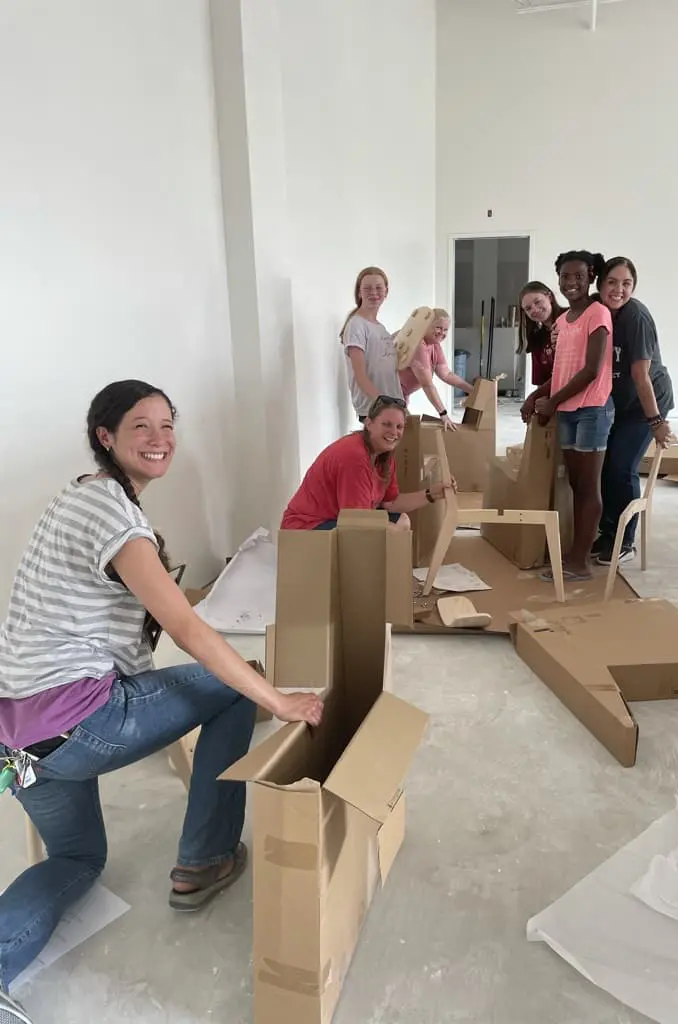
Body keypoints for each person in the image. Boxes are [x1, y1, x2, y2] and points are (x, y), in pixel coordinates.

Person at [0, 380, 323, 1008]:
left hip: (18, 743)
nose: (159, 439)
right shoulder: (113, 514)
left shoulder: (79, 498)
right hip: (80, 718)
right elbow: (187, 627)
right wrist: (278, 700)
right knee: (233, 689)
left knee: (77, 861)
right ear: (106, 437)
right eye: (141, 427)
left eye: (168, 425)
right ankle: (203, 859)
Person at [522, 251, 614, 581]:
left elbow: (591, 370)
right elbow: (562, 370)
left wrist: (553, 400)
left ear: (590, 277)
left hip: (592, 409)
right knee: (575, 484)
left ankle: (579, 563)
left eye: (578, 276)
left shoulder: (598, 313)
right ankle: (576, 553)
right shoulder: (562, 321)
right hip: (569, 411)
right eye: (564, 277)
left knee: (588, 487)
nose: (571, 283)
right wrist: (537, 396)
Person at [592, 257, 675, 564]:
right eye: (612, 282)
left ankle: (625, 542)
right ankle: (607, 534)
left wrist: (656, 421)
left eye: (626, 283)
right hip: (619, 401)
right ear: (601, 283)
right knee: (601, 464)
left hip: (646, 403)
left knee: (621, 467)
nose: (618, 290)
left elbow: (641, 375)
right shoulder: (597, 311)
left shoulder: (635, 317)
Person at [281, 395, 455, 531]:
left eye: (399, 427)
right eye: (387, 424)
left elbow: (391, 503)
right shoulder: (354, 456)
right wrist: (391, 532)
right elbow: (357, 520)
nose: (394, 432)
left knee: (401, 521)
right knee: (387, 533)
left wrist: (432, 493)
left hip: (340, 520)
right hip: (307, 527)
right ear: (369, 424)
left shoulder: (384, 455)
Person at [340, 266, 403, 422]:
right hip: (375, 408)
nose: (373, 293)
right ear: (359, 292)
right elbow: (360, 375)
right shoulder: (356, 325)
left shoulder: (380, 328)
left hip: (392, 405)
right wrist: (382, 404)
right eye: (367, 288)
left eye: (378, 288)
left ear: (386, 292)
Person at [398, 309, 473, 430]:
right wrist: (443, 414)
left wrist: (472, 390)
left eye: (445, 329)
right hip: (385, 394)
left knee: (406, 432)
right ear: (426, 326)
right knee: (404, 433)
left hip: (400, 396)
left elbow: (446, 374)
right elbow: (427, 384)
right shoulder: (418, 344)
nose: (442, 333)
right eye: (438, 327)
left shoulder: (434, 344)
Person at [517, 282, 566, 387]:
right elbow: (540, 382)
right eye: (528, 308)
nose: (534, 309)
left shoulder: (572, 317)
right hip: (554, 397)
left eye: (537, 302)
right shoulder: (536, 338)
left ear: (550, 297)